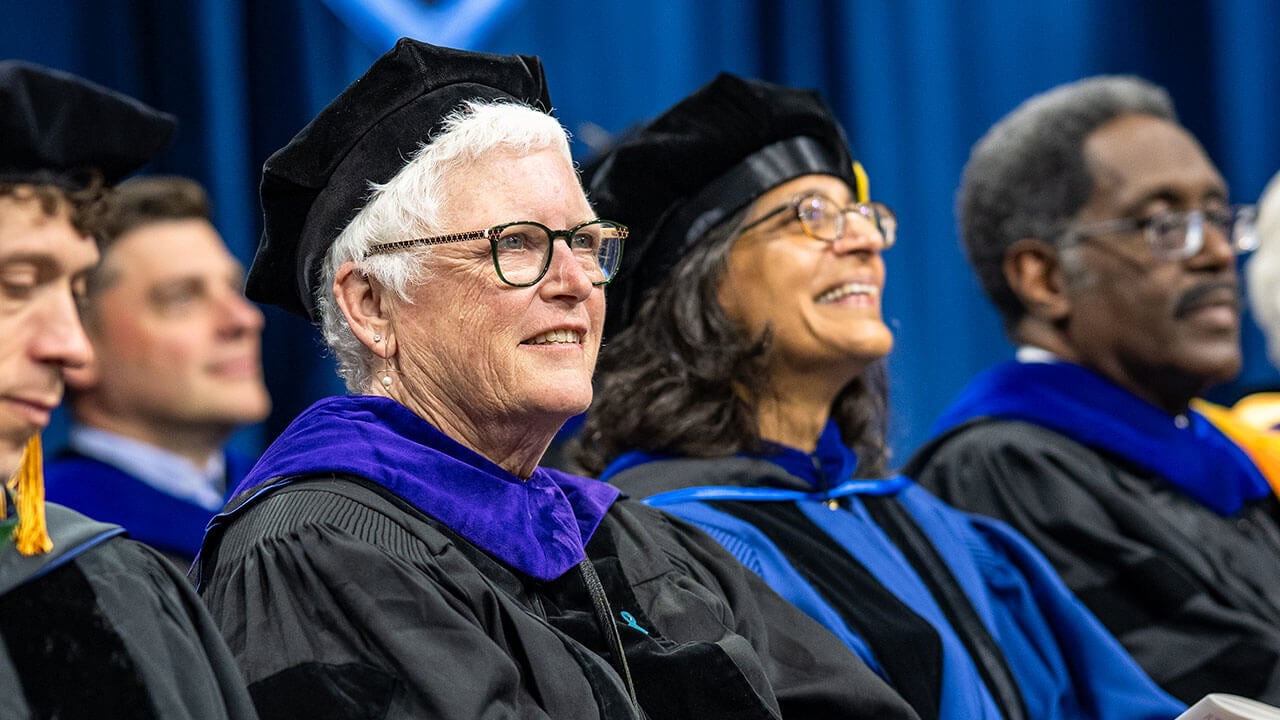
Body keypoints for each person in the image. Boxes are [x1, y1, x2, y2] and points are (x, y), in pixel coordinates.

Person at [191, 38, 919, 720]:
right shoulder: (316, 552)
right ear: (372, 305)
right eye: (517, 244)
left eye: (585, 242)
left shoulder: (631, 538)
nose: (577, 281)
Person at [575, 72, 1184, 720]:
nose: (865, 241)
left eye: (862, 216)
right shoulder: (659, 546)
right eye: (810, 215)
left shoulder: (944, 530)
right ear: (696, 281)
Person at [903, 75, 1280, 704]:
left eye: (1217, 217)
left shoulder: (1226, 458)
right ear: (1043, 277)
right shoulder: (1007, 472)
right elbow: (1219, 694)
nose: (1216, 252)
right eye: (1165, 225)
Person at [0, 60, 257, 719]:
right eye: (18, 283)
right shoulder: (93, 560)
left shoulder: (95, 574)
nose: (244, 320)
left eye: (75, 290)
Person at [44, 175, 269, 565]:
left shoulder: (285, 497)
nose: (244, 320)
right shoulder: (53, 542)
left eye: (233, 289)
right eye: (182, 298)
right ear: (79, 342)